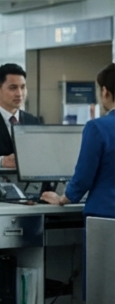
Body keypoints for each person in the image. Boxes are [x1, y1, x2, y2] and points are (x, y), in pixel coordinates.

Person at [42, 63, 115, 217]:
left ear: (105, 92)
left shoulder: (97, 127)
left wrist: (64, 198)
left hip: (106, 215)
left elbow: (84, 175)